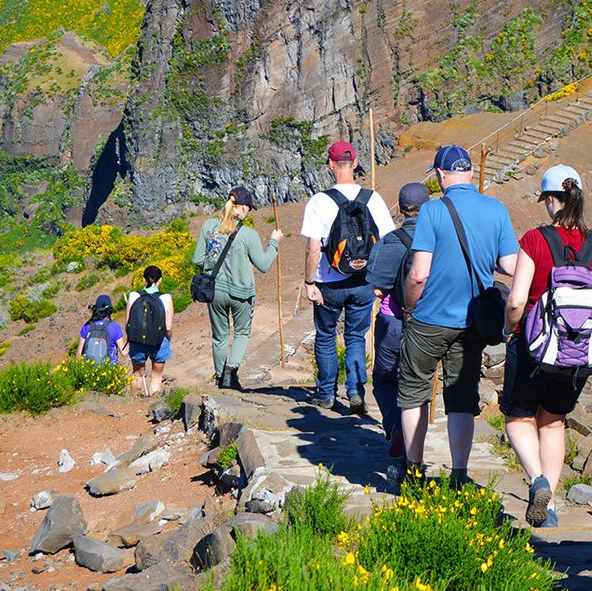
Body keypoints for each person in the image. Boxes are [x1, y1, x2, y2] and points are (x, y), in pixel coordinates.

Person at [503, 165, 592, 528]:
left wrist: (510, 329)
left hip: (534, 346)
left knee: (519, 417)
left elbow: (517, 301)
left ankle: (538, 480)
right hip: (578, 354)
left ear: (552, 200)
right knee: (553, 422)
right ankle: (550, 508)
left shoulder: (535, 241)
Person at [397, 145, 518, 484]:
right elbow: (511, 265)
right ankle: (460, 473)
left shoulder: (433, 212)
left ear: (440, 174)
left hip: (429, 320)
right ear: (469, 173)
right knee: (462, 399)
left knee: (414, 393)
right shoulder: (496, 210)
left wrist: (408, 307)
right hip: (472, 323)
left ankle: (413, 468)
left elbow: (419, 274)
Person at [301, 140, 395, 413]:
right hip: (364, 281)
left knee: (327, 335)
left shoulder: (319, 201)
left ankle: (326, 393)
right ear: (354, 163)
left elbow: (313, 246)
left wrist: (309, 283)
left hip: (328, 283)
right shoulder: (373, 198)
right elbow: (386, 242)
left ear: (330, 165)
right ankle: (355, 391)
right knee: (356, 336)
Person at [193, 186, 283, 390]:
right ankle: (230, 373)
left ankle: (219, 377)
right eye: (248, 208)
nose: (248, 211)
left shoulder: (208, 226)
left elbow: (197, 258)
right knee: (241, 333)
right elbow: (263, 264)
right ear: (241, 209)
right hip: (241, 293)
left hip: (213, 291)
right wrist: (274, 243)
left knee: (219, 336)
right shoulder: (249, 235)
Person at [366, 181, 432, 459]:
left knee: (384, 379)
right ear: (427, 206)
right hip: (429, 324)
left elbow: (378, 289)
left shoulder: (389, 241)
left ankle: (395, 426)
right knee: (418, 384)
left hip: (393, 321)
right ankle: (413, 441)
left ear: (401, 208)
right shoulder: (439, 240)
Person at [126, 266, 175, 397]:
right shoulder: (166, 298)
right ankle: (154, 403)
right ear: (160, 280)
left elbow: (127, 323)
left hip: (137, 341)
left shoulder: (134, 296)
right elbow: (168, 327)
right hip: (159, 341)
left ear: (143, 279)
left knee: (137, 374)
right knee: (156, 375)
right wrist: (168, 339)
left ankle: (134, 403)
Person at [77, 294, 127, 365]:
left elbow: (79, 354)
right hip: (109, 370)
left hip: (89, 370)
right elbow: (124, 352)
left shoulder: (87, 326)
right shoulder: (115, 327)